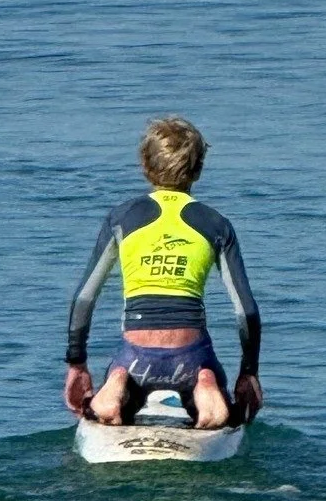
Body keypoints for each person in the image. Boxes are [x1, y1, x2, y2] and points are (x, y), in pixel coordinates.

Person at [64, 117, 263, 430]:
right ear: (198, 170)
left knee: (121, 396)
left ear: (145, 164)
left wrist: (77, 362)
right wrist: (249, 372)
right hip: (191, 354)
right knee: (220, 399)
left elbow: (85, 297)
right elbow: (245, 310)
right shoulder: (216, 224)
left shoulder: (121, 218)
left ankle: (116, 385)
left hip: (135, 354)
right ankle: (206, 388)